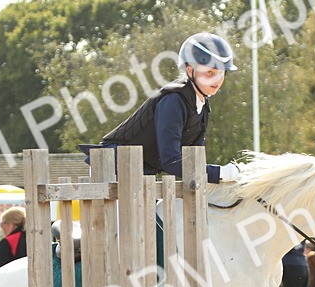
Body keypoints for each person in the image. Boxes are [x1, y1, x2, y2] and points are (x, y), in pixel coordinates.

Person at [95, 32, 241, 183]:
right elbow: (172, 162)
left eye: (221, 73)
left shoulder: (202, 107)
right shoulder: (173, 101)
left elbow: (193, 160)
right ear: (190, 71)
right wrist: (220, 173)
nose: (217, 79)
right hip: (112, 167)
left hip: (142, 172)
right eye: (210, 72)